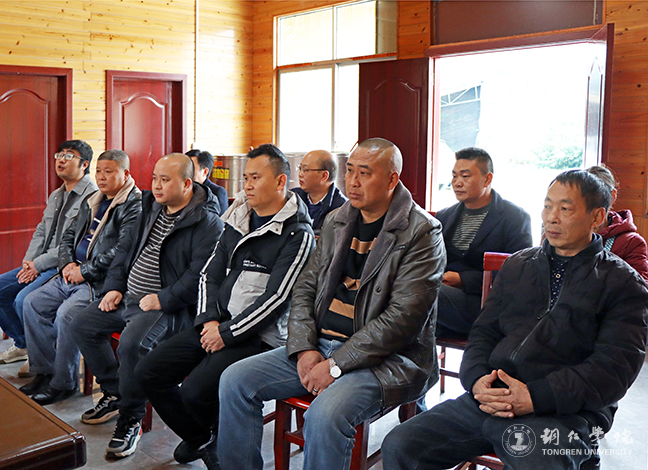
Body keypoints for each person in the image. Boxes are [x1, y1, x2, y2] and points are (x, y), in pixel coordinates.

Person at [382, 170, 648, 470]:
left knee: (534, 461)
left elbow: (613, 370)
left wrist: (535, 396)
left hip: (564, 412)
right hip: (492, 397)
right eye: (547, 206)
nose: (551, 218)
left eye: (565, 208)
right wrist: (476, 379)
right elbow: (484, 331)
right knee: (401, 444)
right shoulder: (518, 265)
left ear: (597, 217)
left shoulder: (624, 284)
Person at [217, 138, 446, 470]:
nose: (353, 181)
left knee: (324, 415)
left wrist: (336, 364)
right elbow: (305, 289)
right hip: (322, 346)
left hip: (387, 360)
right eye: (350, 171)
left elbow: (402, 320)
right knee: (235, 380)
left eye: (364, 173)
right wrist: (303, 347)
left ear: (392, 179)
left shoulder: (422, 232)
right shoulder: (337, 220)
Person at [135, 143, 315, 469]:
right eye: (245, 177)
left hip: (259, 336)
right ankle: (203, 439)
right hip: (217, 323)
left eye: (256, 177)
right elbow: (209, 273)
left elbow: (276, 298)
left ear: (280, 182)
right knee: (149, 371)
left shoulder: (297, 233)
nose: (247, 185)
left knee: (194, 391)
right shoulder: (238, 217)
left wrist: (226, 333)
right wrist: (208, 321)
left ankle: (213, 438)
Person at [70, 153, 224, 458]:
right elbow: (124, 251)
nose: (156, 185)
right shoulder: (150, 207)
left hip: (167, 308)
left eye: (165, 180)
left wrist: (162, 299)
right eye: (154, 178)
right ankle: (116, 391)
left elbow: (199, 277)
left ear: (187, 184)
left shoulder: (207, 222)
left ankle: (131, 418)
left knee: (132, 344)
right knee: (81, 324)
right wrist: (114, 287)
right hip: (129, 297)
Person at [19, 150, 142, 405]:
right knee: (32, 303)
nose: (101, 177)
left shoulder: (134, 205)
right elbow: (68, 235)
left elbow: (121, 251)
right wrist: (67, 264)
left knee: (67, 314)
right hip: (72, 272)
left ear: (125, 174)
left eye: (109, 172)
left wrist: (83, 271)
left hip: (98, 282)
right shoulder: (93, 199)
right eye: (98, 171)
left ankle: (63, 383)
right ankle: (45, 372)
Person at [0, 140, 97, 365]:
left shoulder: (92, 197)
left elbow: (72, 245)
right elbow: (42, 230)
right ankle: (24, 345)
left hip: (63, 266)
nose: (61, 160)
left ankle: (43, 356)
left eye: (69, 156)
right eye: (59, 155)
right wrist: (30, 260)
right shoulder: (57, 194)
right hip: (40, 263)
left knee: (22, 300)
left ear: (84, 164)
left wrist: (38, 265)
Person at [435, 147, 532, 338]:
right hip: (442, 299)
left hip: (485, 304)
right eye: (454, 176)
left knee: (422, 292)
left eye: (465, 176)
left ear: (487, 179)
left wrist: (463, 280)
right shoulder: (444, 216)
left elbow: (519, 274)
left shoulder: (515, 217)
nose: (457, 183)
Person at [586, 164, 648, 280]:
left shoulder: (632, 242)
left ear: (612, 196)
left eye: (596, 195)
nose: (589, 203)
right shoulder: (567, 236)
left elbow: (641, 287)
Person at [291, 149, 347, 236]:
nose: (300, 174)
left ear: (324, 176)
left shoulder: (342, 208)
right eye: (300, 168)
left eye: (305, 169)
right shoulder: (292, 198)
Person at [186, 149, 229, 214]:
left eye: (191, 169)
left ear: (205, 171)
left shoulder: (217, 192)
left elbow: (222, 218)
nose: (186, 173)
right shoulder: (183, 190)